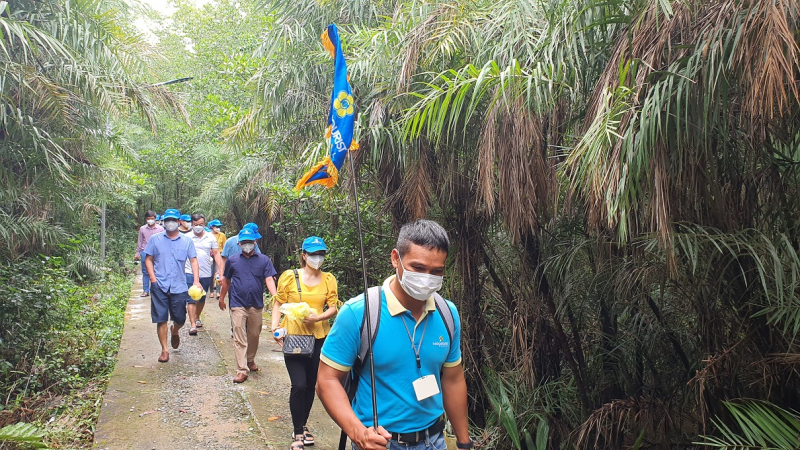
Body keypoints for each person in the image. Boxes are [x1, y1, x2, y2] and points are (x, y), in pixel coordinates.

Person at [317, 220, 473, 450]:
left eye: (436, 271)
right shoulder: (360, 313)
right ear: (395, 259)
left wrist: (464, 442)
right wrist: (358, 433)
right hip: (379, 442)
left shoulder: (447, 313)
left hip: (434, 441)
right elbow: (327, 380)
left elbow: (453, 379)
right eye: (418, 268)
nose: (426, 277)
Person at [271, 236, 339, 446]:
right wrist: (275, 328)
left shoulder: (329, 279)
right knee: (298, 385)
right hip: (294, 336)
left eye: (321, 254)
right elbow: (278, 303)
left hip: (319, 338)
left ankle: (302, 425)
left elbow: (333, 307)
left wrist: (318, 317)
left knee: (311, 385)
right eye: (313, 254)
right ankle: (298, 432)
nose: (318, 258)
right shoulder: (290, 277)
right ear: (304, 255)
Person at [218, 228, 278, 383]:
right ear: (239, 243)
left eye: (249, 242)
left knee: (254, 333)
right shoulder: (233, 260)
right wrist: (222, 297)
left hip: (256, 304)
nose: (247, 245)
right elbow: (227, 280)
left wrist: (276, 297)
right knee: (239, 336)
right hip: (237, 303)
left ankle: (250, 360)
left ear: (255, 242)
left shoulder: (263, 260)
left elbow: (269, 279)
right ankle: (242, 370)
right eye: (244, 242)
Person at [143, 208, 202, 363]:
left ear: (178, 222)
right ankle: (164, 350)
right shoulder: (155, 239)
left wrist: (196, 281)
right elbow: (148, 259)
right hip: (159, 285)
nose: (170, 223)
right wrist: (152, 279)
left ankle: (175, 330)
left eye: (173, 220)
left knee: (180, 318)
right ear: (164, 221)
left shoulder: (187, 241)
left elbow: (194, 260)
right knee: (161, 318)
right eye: (167, 220)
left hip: (179, 286)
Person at [184, 213, 223, 335]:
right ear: (192, 224)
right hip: (189, 271)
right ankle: (192, 324)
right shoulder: (187, 237)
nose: (198, 227)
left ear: (204, 224)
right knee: (191, 299)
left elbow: (216, 253)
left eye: (201, 224)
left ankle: (197, 316)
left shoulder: (210, 237)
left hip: (206, 272)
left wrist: (221, 269)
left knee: (201, 299)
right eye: (196, 225)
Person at [134, 210, 164, 297]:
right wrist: (137, 253)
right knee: (145, 272)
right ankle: (145, 290)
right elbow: (140, 241)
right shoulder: (142, 229)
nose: (150, 220)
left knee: (157, 271)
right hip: (145, 252)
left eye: (152, 218)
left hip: (157, 252)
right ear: (146, 219)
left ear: (155, 218)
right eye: (148, 218)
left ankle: (157, 290)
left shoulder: (160, 229)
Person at [208, 219, 227, 299]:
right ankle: (211, 291)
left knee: (218, 273)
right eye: (217, 226)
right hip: (210, 256)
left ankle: (218, 292)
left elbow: (224, 246)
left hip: (219, 255)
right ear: (212, 227)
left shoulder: (222, 235)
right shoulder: (208, 235)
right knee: (210, 274)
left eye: (219, 226)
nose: (218, 228)